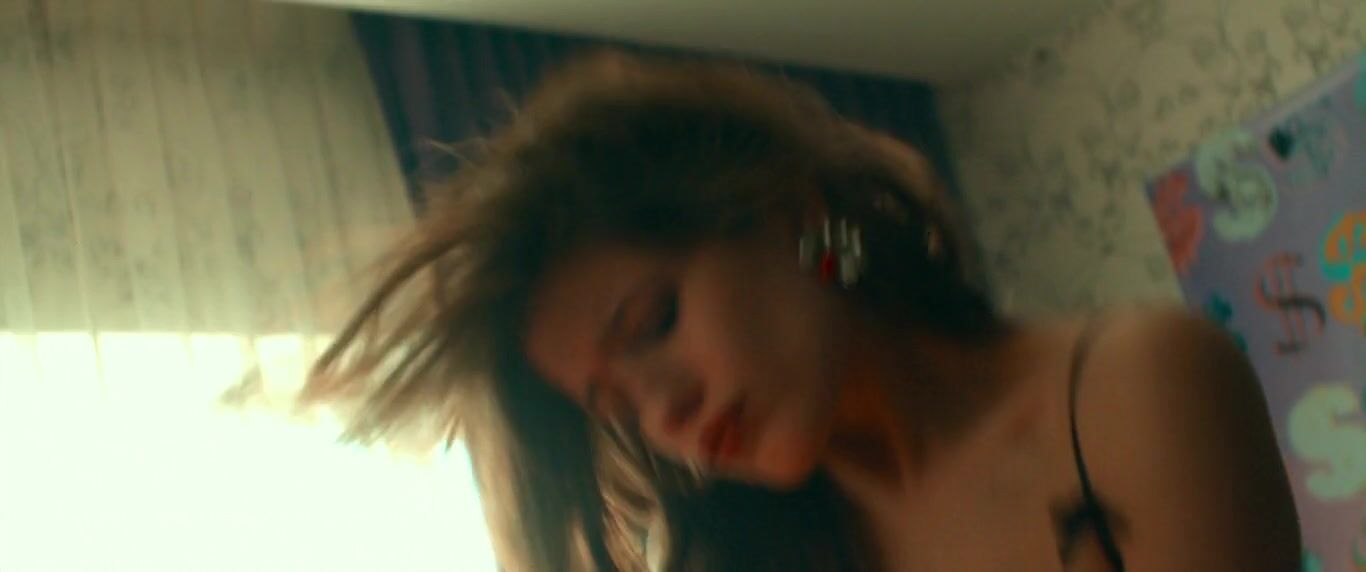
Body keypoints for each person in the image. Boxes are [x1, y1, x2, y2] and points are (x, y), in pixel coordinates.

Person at [301, 53, 1302, 571]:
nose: (665, 414)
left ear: (793, 212)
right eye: (616, 407)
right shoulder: (746, 551)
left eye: (651, 323)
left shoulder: (1134, 384)